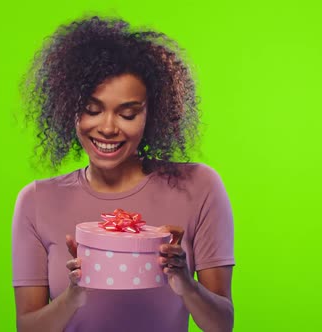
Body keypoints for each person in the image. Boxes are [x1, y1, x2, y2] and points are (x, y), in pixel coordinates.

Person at [12, 16, 235, 332]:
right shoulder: (36, 201)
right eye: (92, 110)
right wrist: (75, 294)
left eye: (128, 113)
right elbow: (27, 328)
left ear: (150, 114)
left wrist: (185, 283)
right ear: (68, 108)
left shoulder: (199, 188)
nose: (107, 127)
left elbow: (222, 324)